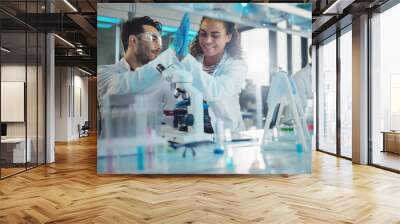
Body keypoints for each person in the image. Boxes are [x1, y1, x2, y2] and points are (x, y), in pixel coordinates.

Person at [98, 16, 181, 135]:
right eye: (153, 39)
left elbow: (171, 117)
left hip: (148, 151)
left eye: (159, 40)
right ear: (133, 41)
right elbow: (129, 85)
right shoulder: (105, 73)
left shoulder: (160, 79)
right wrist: (170, 54)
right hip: (114, 151)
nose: (159, 47)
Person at [177, 16, 248, 133]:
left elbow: (215, 90)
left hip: (227, 134)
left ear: (228, 37)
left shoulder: (237, 66)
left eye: (215, 35)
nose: (207, 40)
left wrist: (185, 58)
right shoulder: (194, 60)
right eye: (203, 34)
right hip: (194, 132)